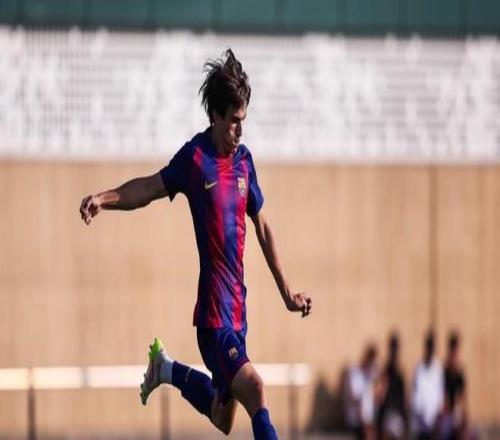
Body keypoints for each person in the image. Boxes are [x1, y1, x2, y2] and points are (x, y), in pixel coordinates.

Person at [79, 49, 312, 440]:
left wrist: (288, 294)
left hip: (238, 316)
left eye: (244, 121)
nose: (240, 131)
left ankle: (165, 369)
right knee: (256, 388)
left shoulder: (245, 162)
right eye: (234, 121)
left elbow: (263, 227)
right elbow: (148, 188)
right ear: (216, 116)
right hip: (213, 319)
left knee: (224, 419)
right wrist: (103, 199)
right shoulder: (195, 158)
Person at [411, 330, 444, 440]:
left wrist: (437, 416)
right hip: (420, 420)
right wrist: (420, 414)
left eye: (432, 347)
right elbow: (415, 394)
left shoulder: (438, 368)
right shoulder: (419, 367)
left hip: (434, 421)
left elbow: (439, 394)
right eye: (428, 347)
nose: (430, 350)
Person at [344, 343, 379, 440]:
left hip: (367, 420)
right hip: (357, 420)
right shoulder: (355, 373)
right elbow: (356, 396)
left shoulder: (371, 373)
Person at [438, 330, 469, 440]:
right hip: (446, 412)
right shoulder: (444, 370)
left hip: (456, 411)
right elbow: (442, 394)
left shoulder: (459, 371)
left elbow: (463, 396)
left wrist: (464, 416)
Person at [376, 332, 407, 440]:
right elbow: (380, 395)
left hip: (396, 412)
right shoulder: (386, 370)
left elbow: (403, 395)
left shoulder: (399, 371)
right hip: (388, 412)